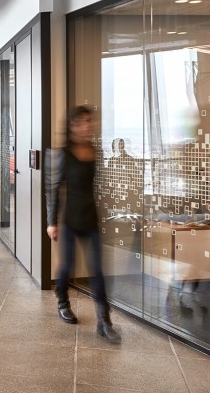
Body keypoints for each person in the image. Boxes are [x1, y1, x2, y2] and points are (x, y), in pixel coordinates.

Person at [46, 106, 122, 344]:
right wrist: (52, 222)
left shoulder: (94, 150)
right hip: (70, 219)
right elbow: (54, 189)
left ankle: (104, 321)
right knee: (67, 266)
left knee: (96, 270)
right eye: (82, 121)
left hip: (90, 218)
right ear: (72, 125)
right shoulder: (62, 153)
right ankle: (62, 302)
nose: (88, 125)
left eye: (90, 121)